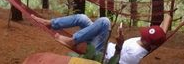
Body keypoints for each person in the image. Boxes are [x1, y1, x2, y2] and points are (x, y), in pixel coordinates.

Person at [31, 13, 171, 64]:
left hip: (101, 55)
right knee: (82, 18)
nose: (142, 36)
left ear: (149, 44)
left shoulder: (134, 56)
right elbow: (165, 23)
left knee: (105, 22)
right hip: (104, 44)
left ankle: (73, 40)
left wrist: (120, 45)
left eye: (145, 38)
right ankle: (50, 23)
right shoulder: (153, 40)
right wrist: (168, 15)